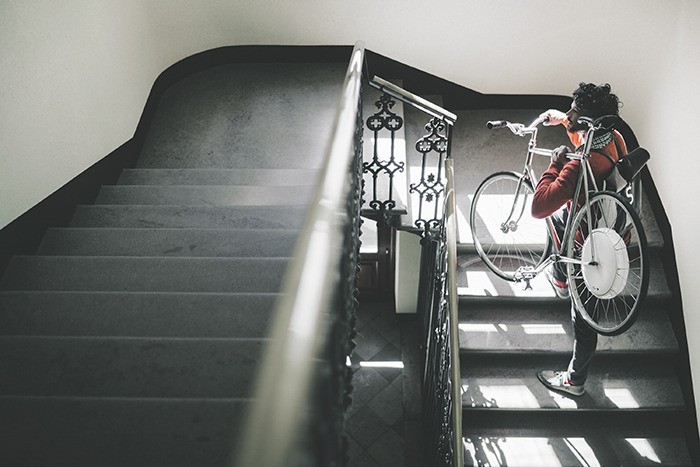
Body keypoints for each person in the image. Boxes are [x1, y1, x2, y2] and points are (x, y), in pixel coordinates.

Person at [531, 82, 627, 397]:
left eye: (574, 111)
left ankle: (575, 381)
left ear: (588, 121)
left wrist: (554, 164)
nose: (569, 113)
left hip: (590, 247)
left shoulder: (579, 166)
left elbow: (539, 207)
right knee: (561, 221)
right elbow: (582, 138)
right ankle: (560, 280)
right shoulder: (614, 138)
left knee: (584, 321)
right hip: (606, 222)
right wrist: (562, 119)